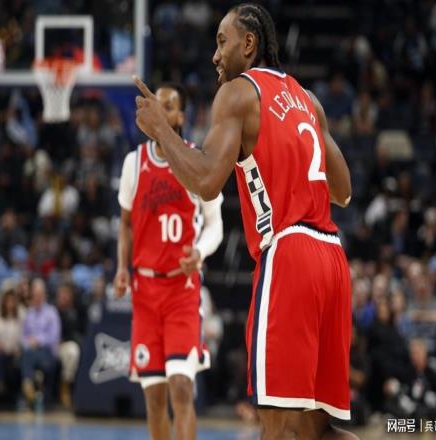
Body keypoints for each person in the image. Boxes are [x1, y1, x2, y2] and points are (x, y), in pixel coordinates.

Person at [133, 3, 355, 439]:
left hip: (290, 255)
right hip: (332, 259)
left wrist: (161, 130)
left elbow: (206, 182)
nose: (215, 55)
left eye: (222, 42)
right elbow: (343, 191)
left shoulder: (238, 93)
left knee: (278, 428)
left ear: (249, 44)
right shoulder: (308, 99)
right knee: (316, 431)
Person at [114, 83, 223, 440]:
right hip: (145, 291)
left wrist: (200, 252)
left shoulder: (198, 161)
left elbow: (215, 226)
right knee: (154, 398)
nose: (161, 111)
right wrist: (121, 268)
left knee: (181, 388)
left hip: (181, 290)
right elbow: (125, 225)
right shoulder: (134, 163)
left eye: (169, 106)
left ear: (180, 116)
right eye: (156, 106)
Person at [21, 278, 61, 407]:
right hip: (31, 352)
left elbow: (54, 337)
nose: (37, 297)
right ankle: (29, 386)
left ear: (44, 295)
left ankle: (27, 383)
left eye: (40, 294)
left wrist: (37, 341)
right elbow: (23, 336)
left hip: (47, 353)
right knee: (28, 352)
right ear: (32, 295)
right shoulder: (29, 313)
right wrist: (28, 343)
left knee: (29, 354)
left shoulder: (52, 312)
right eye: (35, 294)